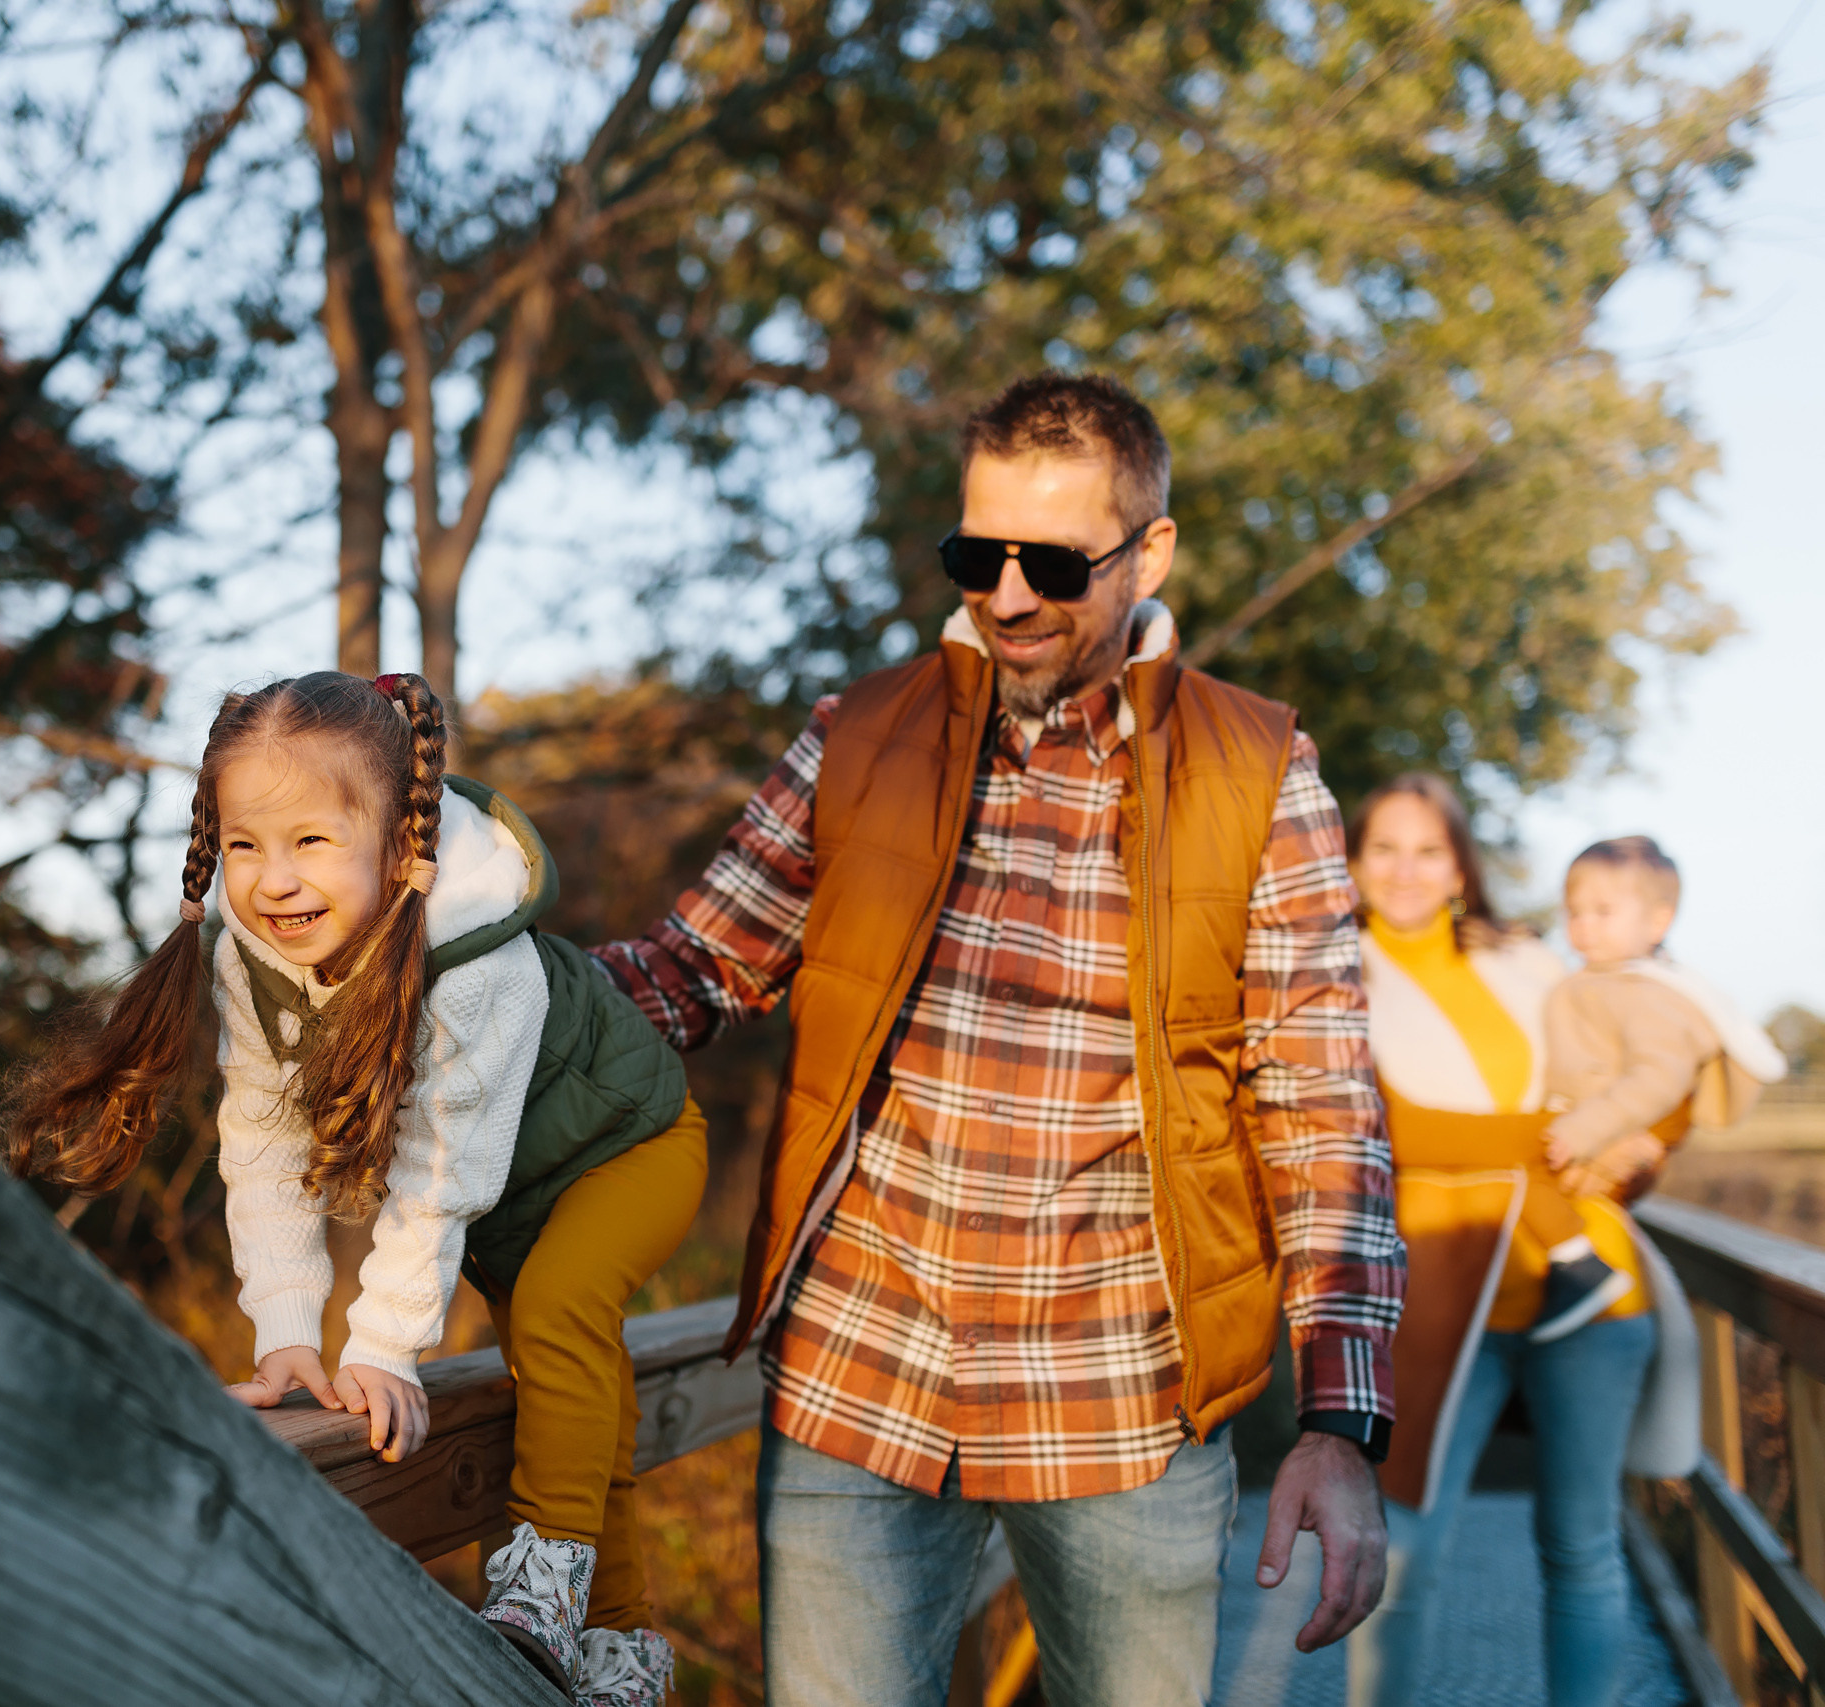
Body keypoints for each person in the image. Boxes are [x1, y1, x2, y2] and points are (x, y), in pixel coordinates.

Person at [590, 373, 1404, 1707]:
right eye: (978, 556)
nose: (1009, 596)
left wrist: (1339, 1418)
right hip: (861, 1375)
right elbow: (689, 970)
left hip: (1125, 1402)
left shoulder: (1260, 770)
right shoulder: (860, 738)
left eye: (1053, 563)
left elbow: (1322, 1113)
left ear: (1149, 551)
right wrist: (468, 973)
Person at [0, 671, 705, 1707]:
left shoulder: (476, 963)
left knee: (558, 1316)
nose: (274, 882)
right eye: (246, 846)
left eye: (311, 841)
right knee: (567, 1382)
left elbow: (438, 1173)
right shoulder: (255, 960)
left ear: (399, 842)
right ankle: (619, 1655)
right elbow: (264, 1145)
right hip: (511, 1194)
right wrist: (288, 1331)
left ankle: (541, 1585)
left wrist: (382, 1350)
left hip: (625, 1150)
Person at [1340, 777, 1699, 1707]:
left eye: (1429, 849)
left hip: (1592, 1289)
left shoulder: (1533, 961)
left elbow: (1661, 1065)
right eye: (1385, 848)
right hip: (1439, 1299)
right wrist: (1554, 1134)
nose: (1407, 870)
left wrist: (1643, 1145)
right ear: (1350, 860)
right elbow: (1393, 1129)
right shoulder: (1333, 976)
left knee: (1582, 1545)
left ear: (1461, 863)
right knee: (1402, 1552)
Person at [1545, 835, 1786, 1197]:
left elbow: (1659, 1077)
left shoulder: (1651, 994)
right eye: (1574, 912)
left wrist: (1585, 1128)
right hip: (1569, 1135)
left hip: (1598, 1146)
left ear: (1658, 922)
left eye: (1603, 911)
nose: (1584, 925)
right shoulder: (1594, 979)